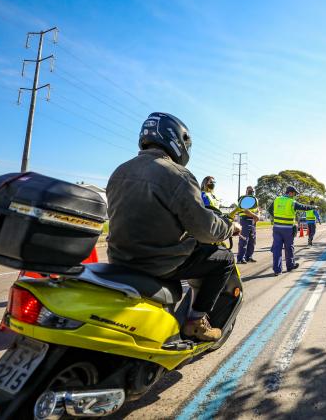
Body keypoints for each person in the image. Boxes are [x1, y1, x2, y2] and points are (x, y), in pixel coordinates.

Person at [106, 112, 241, 342]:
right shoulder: (177, 175)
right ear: (177, 140)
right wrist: (230, 227)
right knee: (224, 260)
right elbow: (205, 229)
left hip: (120, 259)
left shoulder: (120, 171)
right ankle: (197, 322)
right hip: (159, 262)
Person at [269, 186, 314, 275]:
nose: (294, 196)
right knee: (289, 248)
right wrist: (313, 207)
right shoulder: (292, 202)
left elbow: (269, 209)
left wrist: (276, 217)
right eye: (294, 194)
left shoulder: (277, 200)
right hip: (288, 229)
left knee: (277, 249)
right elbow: (303, 207)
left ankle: (277, 270)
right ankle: (290, 266)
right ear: (290, 193)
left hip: (277, 228)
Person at [236, 186, 260, 264]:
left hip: (253, 221)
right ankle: (240, 258)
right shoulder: (243, 199)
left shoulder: (254, 199)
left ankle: (249, 257)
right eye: (250, 190)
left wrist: (258, 216)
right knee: (243, 240)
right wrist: (255, 216)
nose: (251, 192)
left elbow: (258, 210)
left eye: (252, 190)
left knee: (252, 241)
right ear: (246, 191)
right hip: (245, 220)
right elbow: (245, 211)